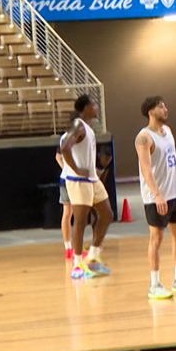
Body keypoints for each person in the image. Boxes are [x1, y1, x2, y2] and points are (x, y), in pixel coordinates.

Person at [136, 96, 176, 301]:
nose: (165, 109)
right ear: (150, 111)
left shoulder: (168, 132)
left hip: (173, 193)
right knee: (156, 238)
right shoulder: (144, 137)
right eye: (161, 106)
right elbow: (146, 170)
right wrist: (157, 195)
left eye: (165, 105)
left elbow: (173, 161)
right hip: (156, 197)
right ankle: (154, 284)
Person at [60, 95, 112, 280]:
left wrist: (94, 171)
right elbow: (65, 148)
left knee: (107, 215)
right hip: (78, 180)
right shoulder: (78, 125)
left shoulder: (86, 127)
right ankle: (77, 264)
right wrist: (76, 169)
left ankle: (93, 256)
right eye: (94, 104)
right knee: (81, 221)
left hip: (91, 179)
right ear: (86, 108)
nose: (97, 107)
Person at [55, 116, 75, 260]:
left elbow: (57, 156)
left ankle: (68, 247)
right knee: (75, 214)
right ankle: (74, 248)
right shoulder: (76, 139)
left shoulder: (63, 138)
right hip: (74, 180)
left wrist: (64, 168)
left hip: (65, 177)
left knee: (67, 213)